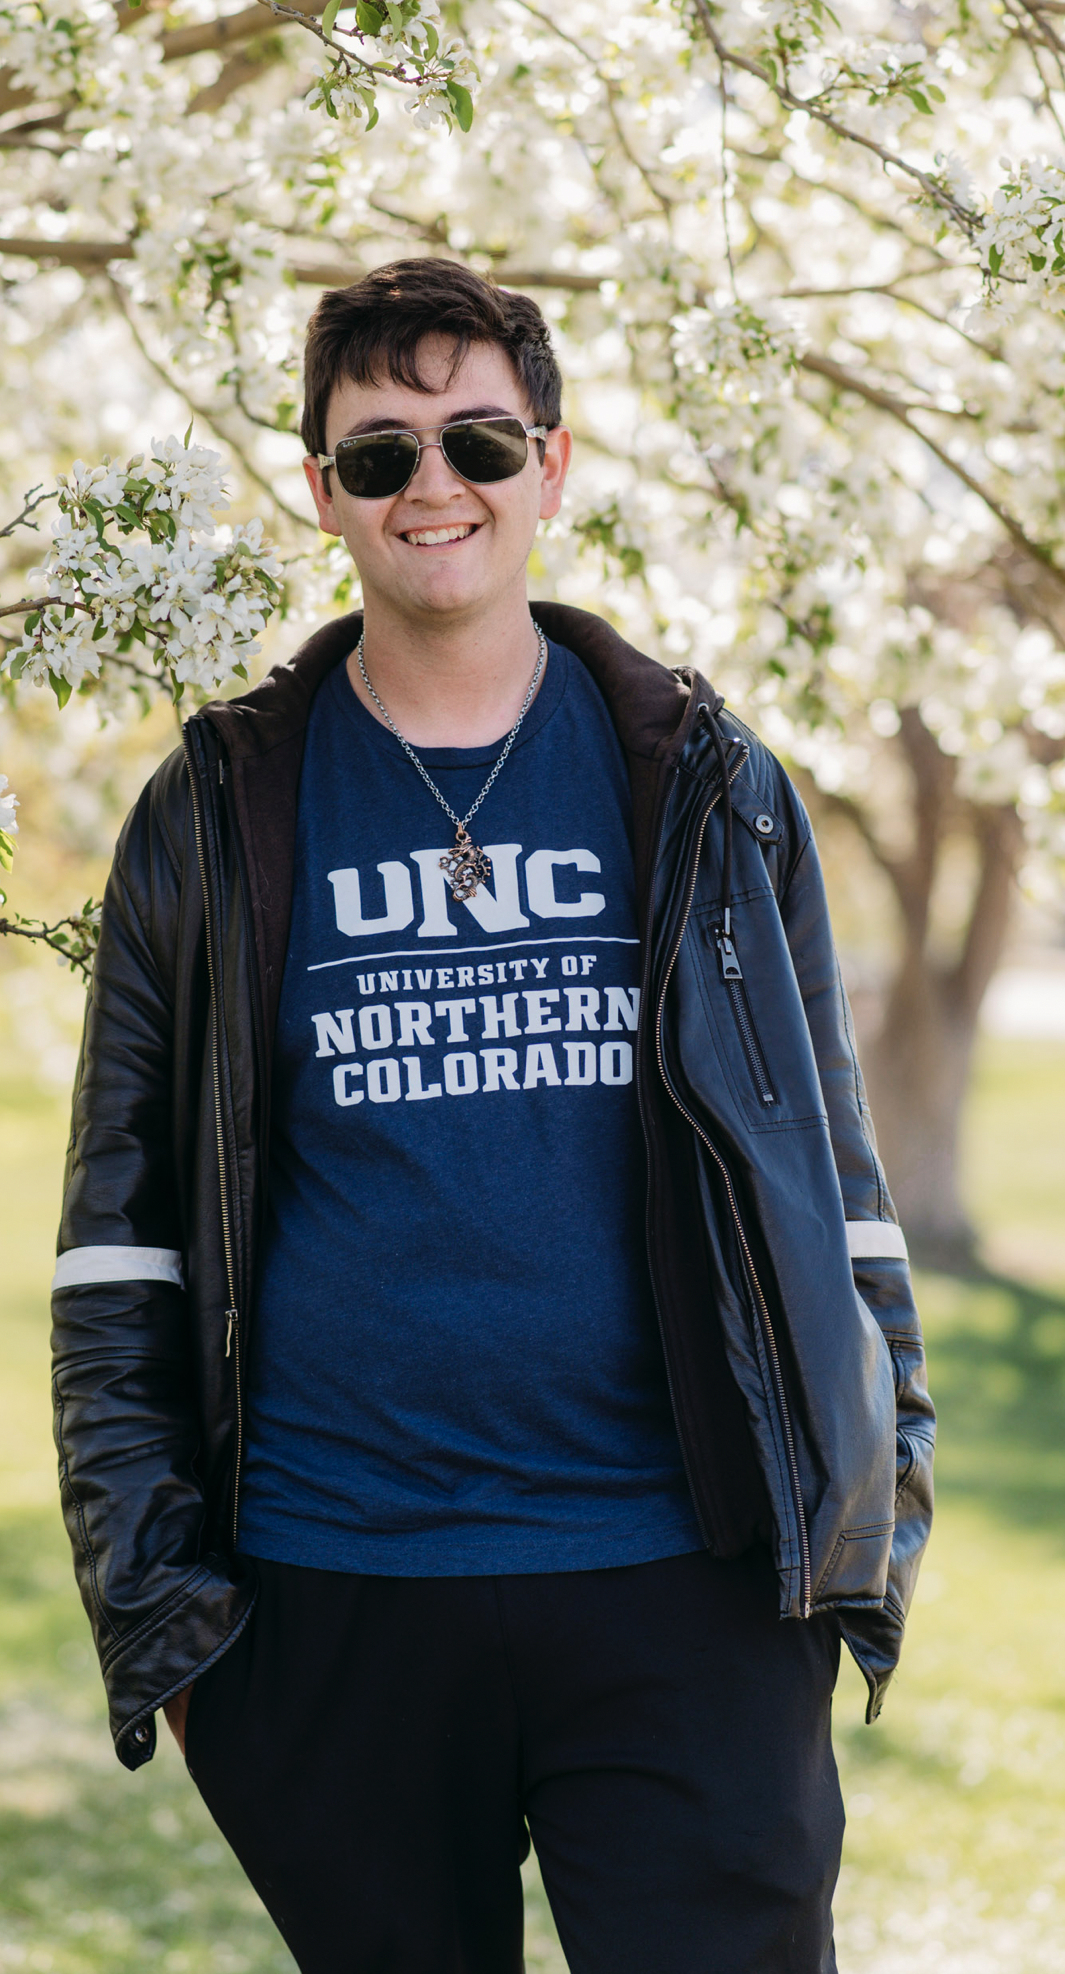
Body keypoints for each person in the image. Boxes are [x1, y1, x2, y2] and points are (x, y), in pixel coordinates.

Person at [50, 258, 934, 1974]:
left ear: (552, 461)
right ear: (322, 493)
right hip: (331, 1599)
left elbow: (830, 1181)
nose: (432, 486)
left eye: (475, 440)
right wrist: (165, 1602)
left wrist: (870, 1512)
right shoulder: (217, 807)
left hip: (687, 1584)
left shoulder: (704, 781)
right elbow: (117, 1237)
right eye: (377, 455)